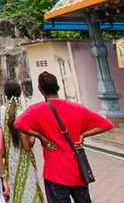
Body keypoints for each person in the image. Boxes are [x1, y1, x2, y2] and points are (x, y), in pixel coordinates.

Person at [15, 72, 114, 203]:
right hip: (77, 170)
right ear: (58, 87)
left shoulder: (36, 110)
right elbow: (107, 124)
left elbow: (18, 124)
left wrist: (40, 136)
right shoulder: (76, 107)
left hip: (54, 172)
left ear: (40, 89)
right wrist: (83, 135)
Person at [0, 79, 44, 203]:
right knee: (29, 193)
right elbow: (27, 145)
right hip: (24, 161)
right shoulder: (22, 113)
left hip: (10, 162)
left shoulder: (1, 111)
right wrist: (36, 134)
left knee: (16, 194)